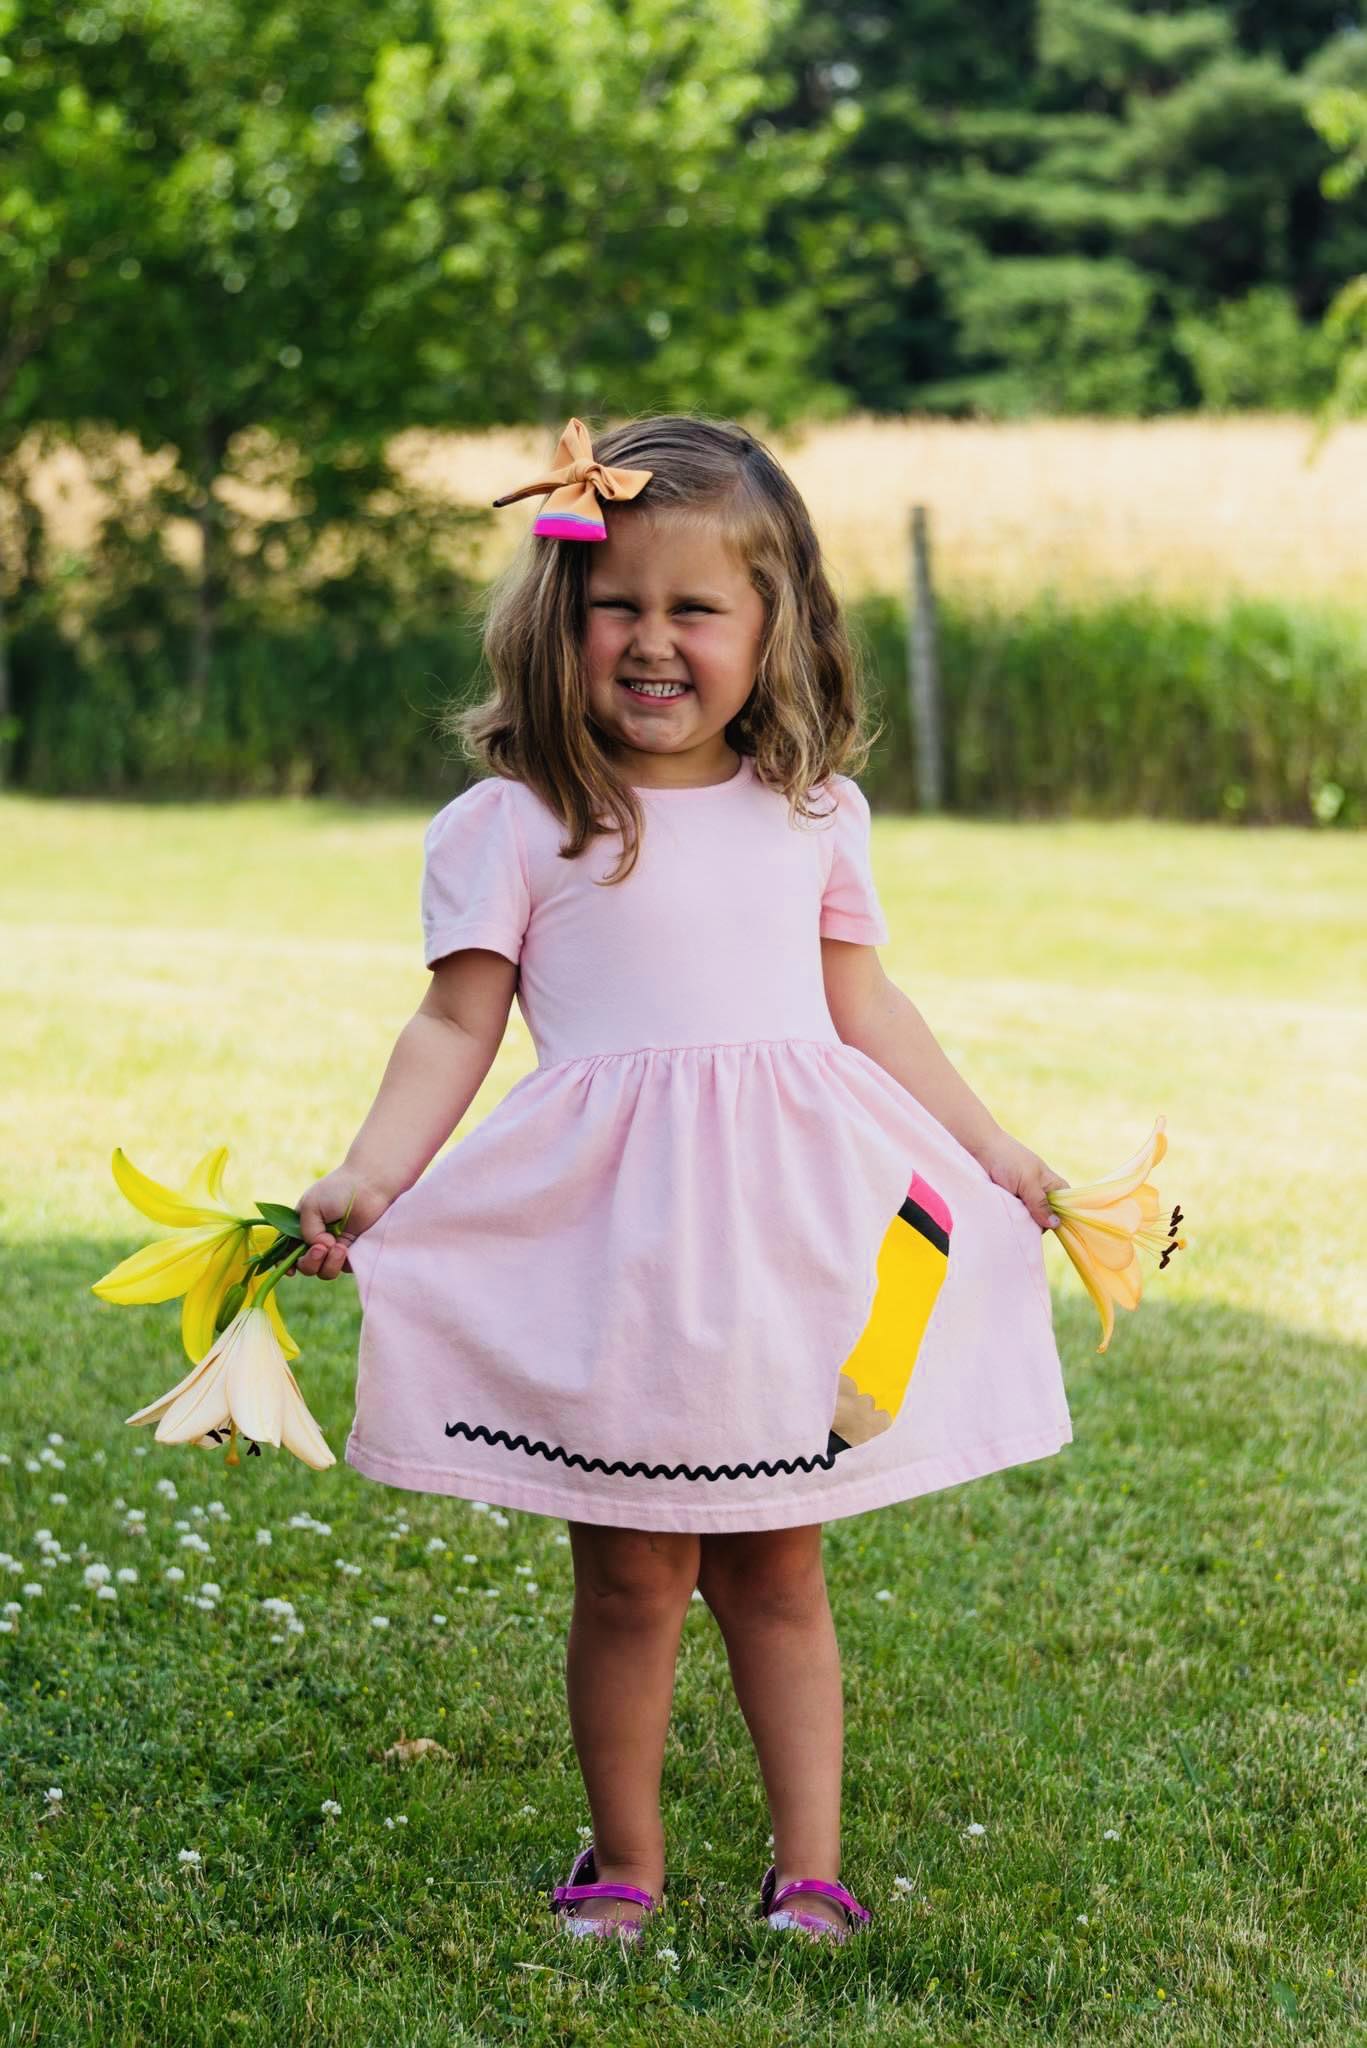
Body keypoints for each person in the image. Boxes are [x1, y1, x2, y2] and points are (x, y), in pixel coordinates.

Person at [291, 413, 1074, 1945]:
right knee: (635, 1576)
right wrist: (370, 1177)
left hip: (793, 1246)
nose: (652, 642)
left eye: (694, 609)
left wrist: (989, 1153)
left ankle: (813, 1868)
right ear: (555, 624)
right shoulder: (514, 826)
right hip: (622, 1254)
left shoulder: (813, 814)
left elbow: (868, 1009)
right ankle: (627, 1861)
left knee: (780, 1572)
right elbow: (456, 1021)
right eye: (615, 608)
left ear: (773, 626)